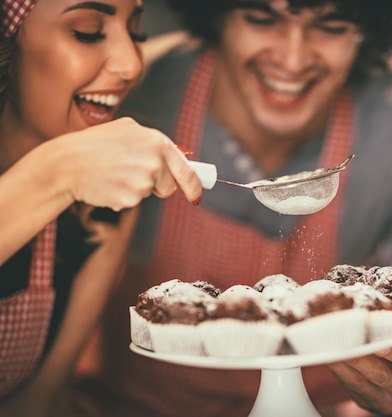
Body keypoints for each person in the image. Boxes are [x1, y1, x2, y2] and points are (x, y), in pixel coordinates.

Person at [71, 0, 392, 416]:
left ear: (368, 28)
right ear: (218, 14)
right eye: (261, 18)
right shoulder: (128, 92)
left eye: (331, 25)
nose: (293, 59)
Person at [0, 0, 203, 415]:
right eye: (88, 31)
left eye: (136, 31)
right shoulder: (74, 175)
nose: (131, 64)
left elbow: (40, 402)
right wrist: (58, 172)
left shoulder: (105, 208)